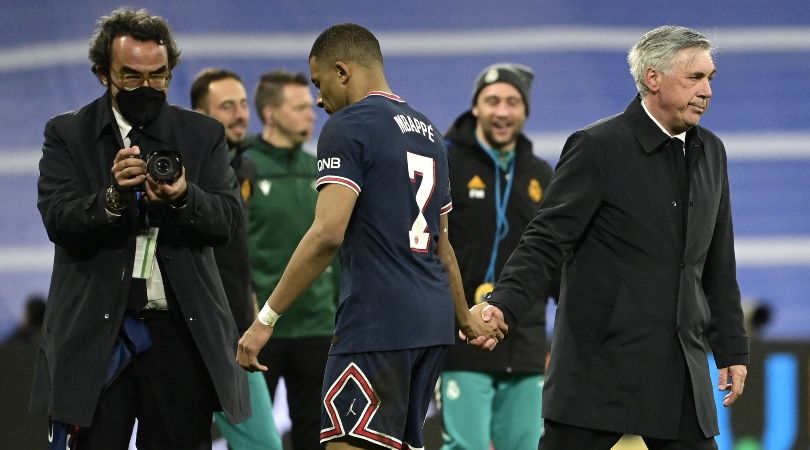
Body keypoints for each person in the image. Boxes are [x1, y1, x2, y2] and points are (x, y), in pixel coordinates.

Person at [467, 25, 750, 449]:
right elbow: (546, 239)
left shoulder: (712, 152)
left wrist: (731, 348)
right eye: (695, 78)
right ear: (653, 78)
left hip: (678, 369)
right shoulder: (598, 146)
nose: (707, 90)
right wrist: (503, 304)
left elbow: (717, 261)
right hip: (599, 367)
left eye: (710, 78)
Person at [236, 23, 504, 450]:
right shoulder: (430, 133)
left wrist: (265, 319)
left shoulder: (348, 126)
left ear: (342, 71)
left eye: (319, 84)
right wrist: (463, 320)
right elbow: (443, 247)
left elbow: (327, 233)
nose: (320, 99)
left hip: (377, 323)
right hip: (431, 326)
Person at [31, 8, 249, 449]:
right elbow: (58, 218)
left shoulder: (203, 134)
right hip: (97, 336)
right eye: (131, 76)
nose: (147, 87)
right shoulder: (68, 134)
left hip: (180, 337)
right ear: (102, 73)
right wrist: (111, 198)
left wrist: (184, 197)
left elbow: (228, 221)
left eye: (159, 76)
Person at [439, 63, 557, 450]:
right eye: (492, 101)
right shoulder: (445, 162)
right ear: (475, 107)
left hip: (524, 343)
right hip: (461, 335)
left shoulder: (542, 174)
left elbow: (556, 260)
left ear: (525, 111)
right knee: (466, 447)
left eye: (511, 102)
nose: (502, 112)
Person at [241, 69, 337, 450]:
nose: (311, 114)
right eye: (298, 108)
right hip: (259, 330)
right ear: (269, 113)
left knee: (315, 438)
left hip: (318, 327)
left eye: (309, 107)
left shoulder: (321, 167)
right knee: (253, 439)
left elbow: (336, 248)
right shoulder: (242, 167)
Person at [190, 68, 282, 450]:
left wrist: (251, 300)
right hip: (187, 338)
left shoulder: (244, 166)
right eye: (227, 106)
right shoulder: (182, 172)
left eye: (243, 104)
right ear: (198, 115)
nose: (241, 114)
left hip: (236, 335)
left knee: (263, 446)